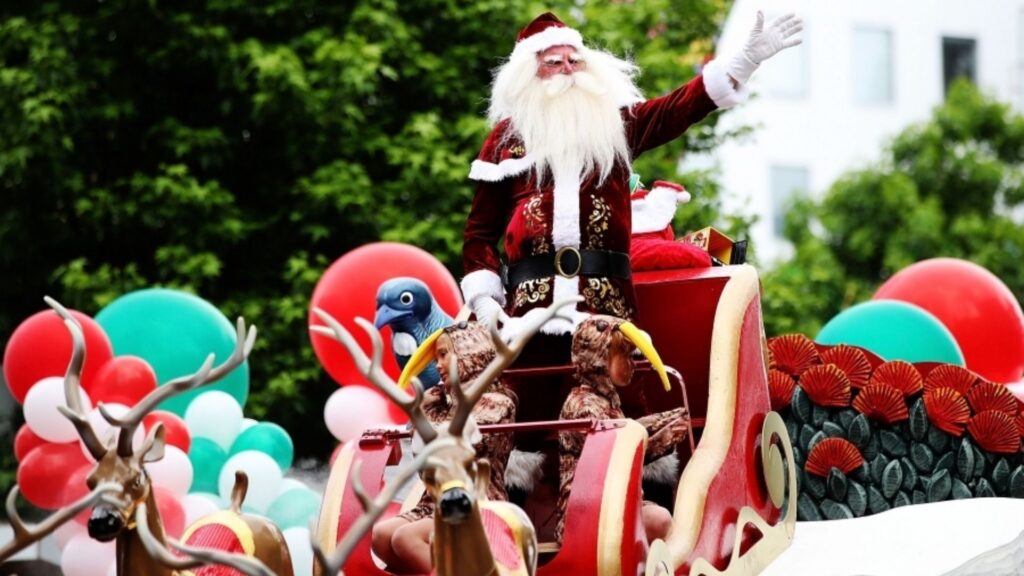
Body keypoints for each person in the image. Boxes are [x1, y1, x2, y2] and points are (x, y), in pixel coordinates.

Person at [460, 11, 802, 338]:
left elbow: (675, 109)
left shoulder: (615, 124)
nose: (568, 69)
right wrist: (484, 298)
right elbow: (479, 233)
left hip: (608, 310)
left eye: (574, 60)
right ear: (529, 74)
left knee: (614, 398)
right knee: (525, 398)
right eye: (554, 62)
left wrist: (741, 64)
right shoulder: (504, 141)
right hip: (527, 314)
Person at [370, 322, 517, 574]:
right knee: (381, 535)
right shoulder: (442, 405)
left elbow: (461, 440)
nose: (437, 365)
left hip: (473, 500)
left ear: (470, 352)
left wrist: (423, 417)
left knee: (404, 539)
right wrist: (422, 410)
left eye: (444, 355)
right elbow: (424, 463)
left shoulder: (498, 401)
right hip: (434, 500)